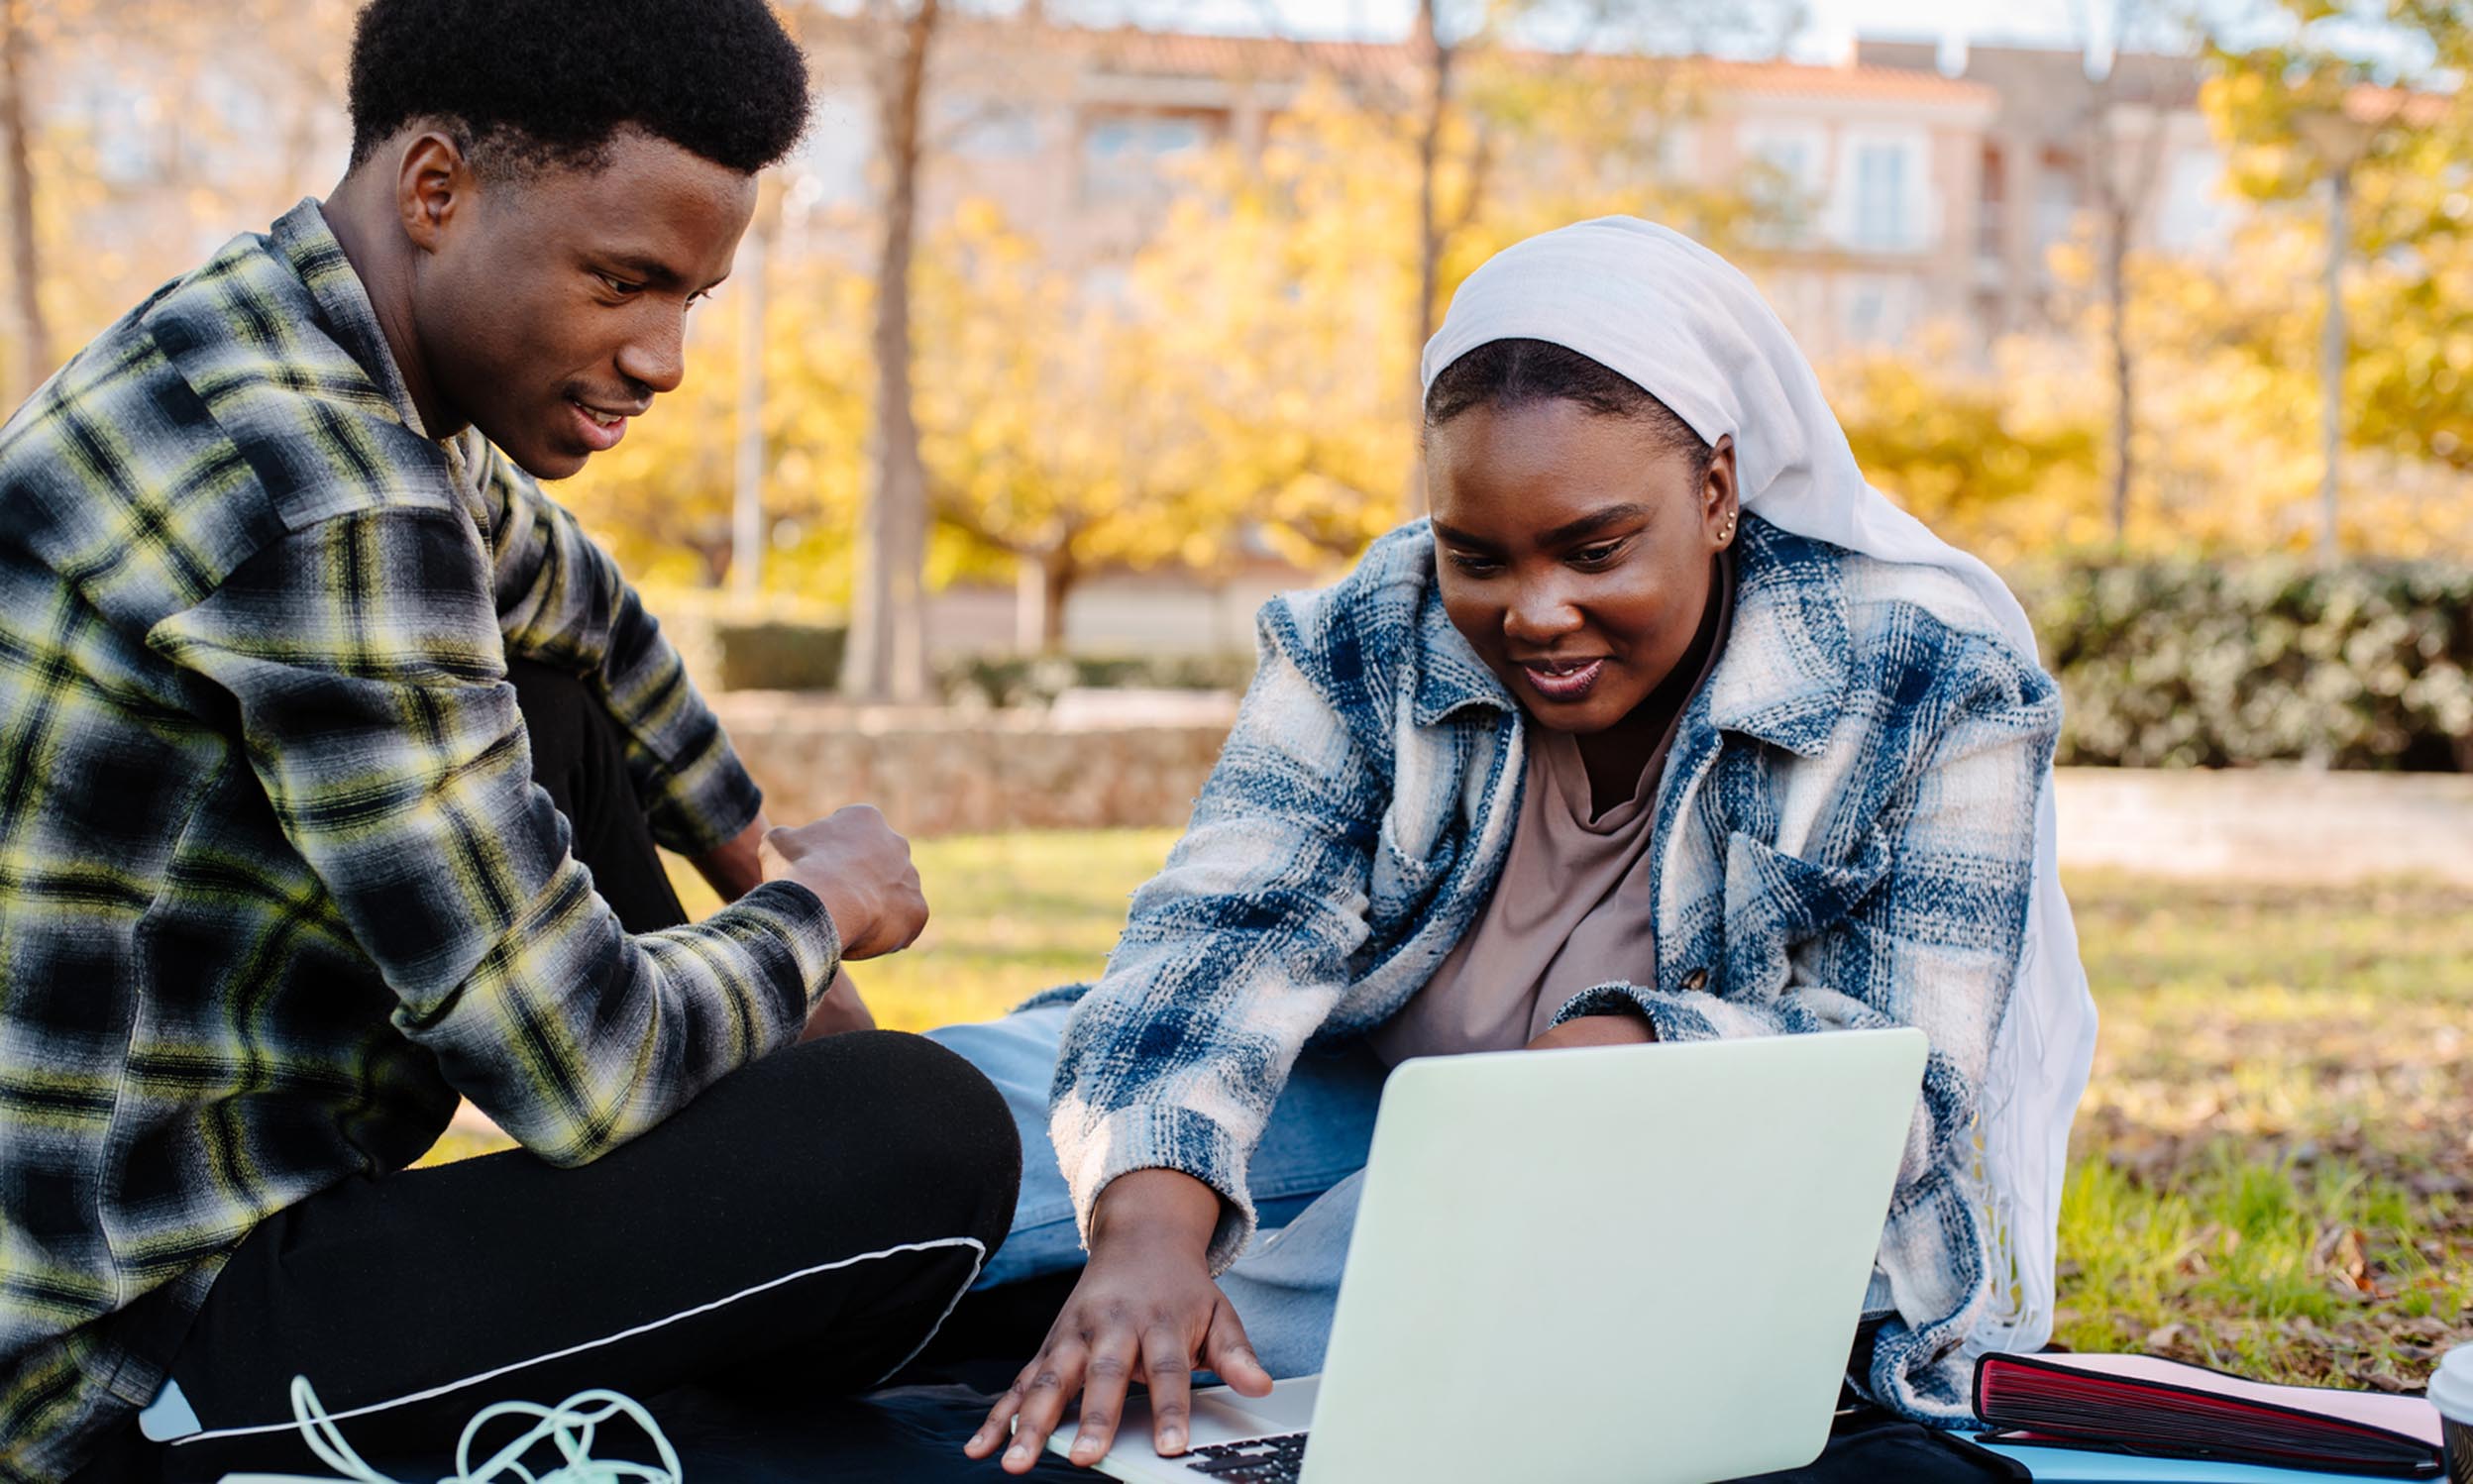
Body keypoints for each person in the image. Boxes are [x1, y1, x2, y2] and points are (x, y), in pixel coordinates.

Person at [0, 4, 1019, 1480]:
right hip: (118, 1356)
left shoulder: (284, 341)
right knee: (924, 1144)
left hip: (165, 1225)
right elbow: (578, 1064)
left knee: (554, 689)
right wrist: (828, 907)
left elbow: (581, 607)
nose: (663, 357)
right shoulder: (331, 496)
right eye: (625, 281)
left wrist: (746, 851)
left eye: (694, 299)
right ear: (436, 188)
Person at [933, 217, 2099, 1476]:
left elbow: (1907, 1085)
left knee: (1387, 1265)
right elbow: (1230, 927)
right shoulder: (1370, 628)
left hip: (1658, 1186)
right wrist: (1151, 1208)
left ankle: (1064, 1335)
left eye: (1597, 549)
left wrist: (1628, 1059)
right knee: (960, 1106)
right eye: (1475, 556)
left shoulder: (1934, 680)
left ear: (1716, 491)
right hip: (1358, 1087)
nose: (1535, 614)